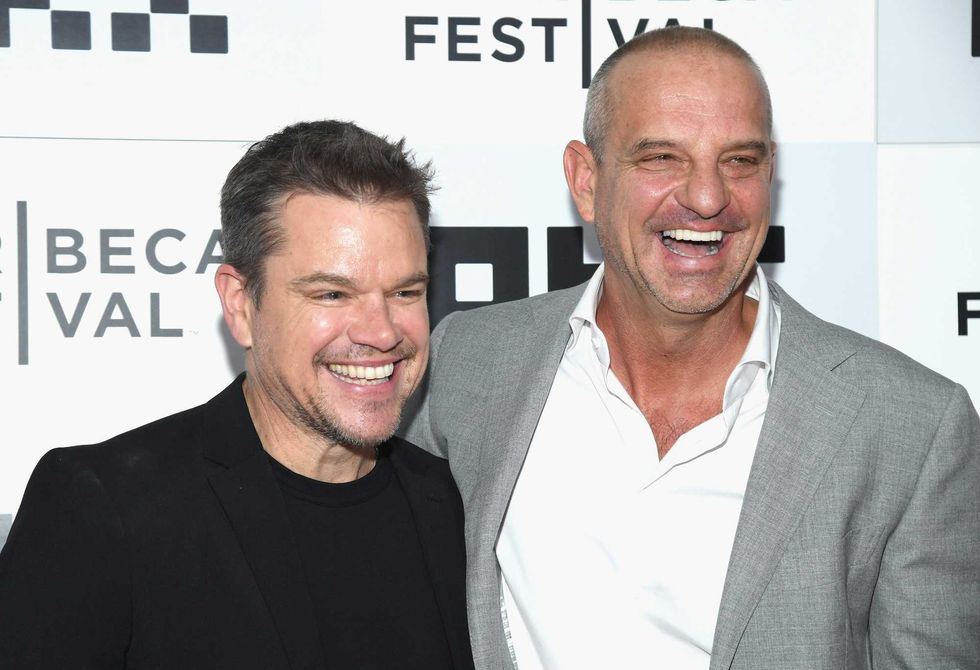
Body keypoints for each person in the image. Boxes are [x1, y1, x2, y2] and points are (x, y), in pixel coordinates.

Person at [404, 26, 980, 670]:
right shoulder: (469, 362)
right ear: (586, 180)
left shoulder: (910, 426)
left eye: (740, 161)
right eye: (662, 158)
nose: (708, 198)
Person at [0, 120, 474, 670]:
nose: (382, 331)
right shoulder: (107, 506)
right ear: (241, 304)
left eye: (405, 292)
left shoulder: (461, 507)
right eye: (331, 293)